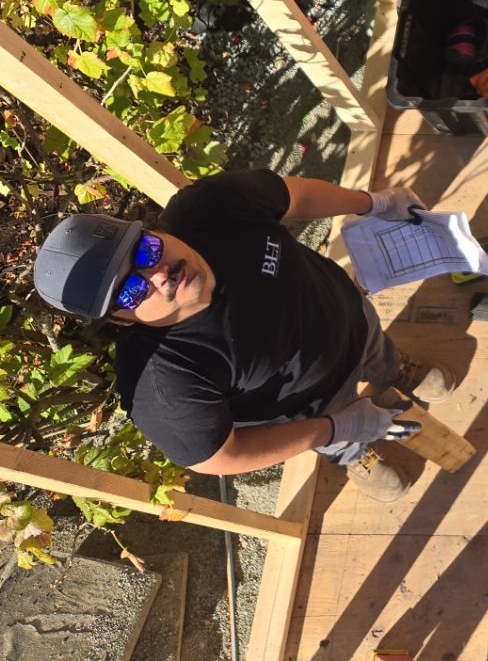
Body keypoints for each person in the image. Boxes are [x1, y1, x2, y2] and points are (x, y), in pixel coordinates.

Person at [34, 170, 452, 501]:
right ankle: (352, 449)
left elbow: (296, 196)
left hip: (351, 318)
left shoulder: (211, 207)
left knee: (378, 348)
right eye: (131, 289)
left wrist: (374, 202)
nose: (158, 274)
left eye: (145, 250)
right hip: (314, 405)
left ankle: (393, 368)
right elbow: (221, 456)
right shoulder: (159, 384)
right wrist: (335, 428)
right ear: (121, 321)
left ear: (149, 229)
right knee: (340, 435)